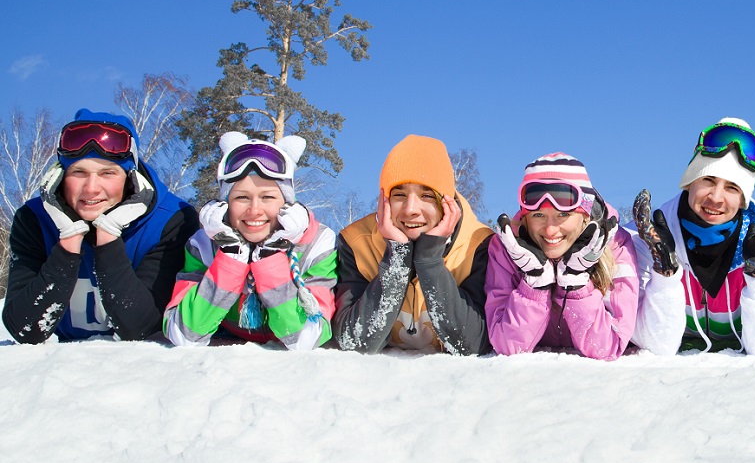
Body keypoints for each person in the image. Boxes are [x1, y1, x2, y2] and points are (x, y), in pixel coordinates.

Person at [4, 109, 198, 343]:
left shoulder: (171, 220)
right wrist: (69, 241)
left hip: (146, 368)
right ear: (60, 176)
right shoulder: (34, 220)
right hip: (64, 369)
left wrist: (107, 235)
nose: (91, 188)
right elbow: (25, 330)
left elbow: (139, 327)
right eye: (79, 172)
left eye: (108, 173)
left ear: (131, 178)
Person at [630, 118, 755, 356]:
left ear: (743, 199)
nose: (716, 198)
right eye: (708, 180)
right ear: (690, 181)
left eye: (732, 188)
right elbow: (655, 346)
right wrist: (664, 273)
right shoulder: (647, 239)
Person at [164, 133, 337, 349]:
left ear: (287, 203)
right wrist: (230, 258)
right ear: (225, 203)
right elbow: (183, 335)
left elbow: (307, 340)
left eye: (267, 197)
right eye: (242, 197)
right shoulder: (204, 244)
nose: (254, 210)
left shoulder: (316, 243)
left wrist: (270, 259)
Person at [333, 135, 493, 354]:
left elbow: (470, 345)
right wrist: (397, 257)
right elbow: (355, 343)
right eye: (399, 194)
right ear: (384, 200)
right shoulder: (356, 243)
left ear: (448, 203)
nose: (410, 209)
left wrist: (429, 260)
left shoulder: (478, 246)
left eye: (427, 195)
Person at [485, 153, 639, 360]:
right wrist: (533, 286)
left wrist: (576, 284)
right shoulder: (505, 249)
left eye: (563, 215)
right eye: (538, 215)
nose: (550, 230)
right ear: (526, 217)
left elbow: (608, 347)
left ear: (585, 215)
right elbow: (507, 346)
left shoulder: (614, 245)